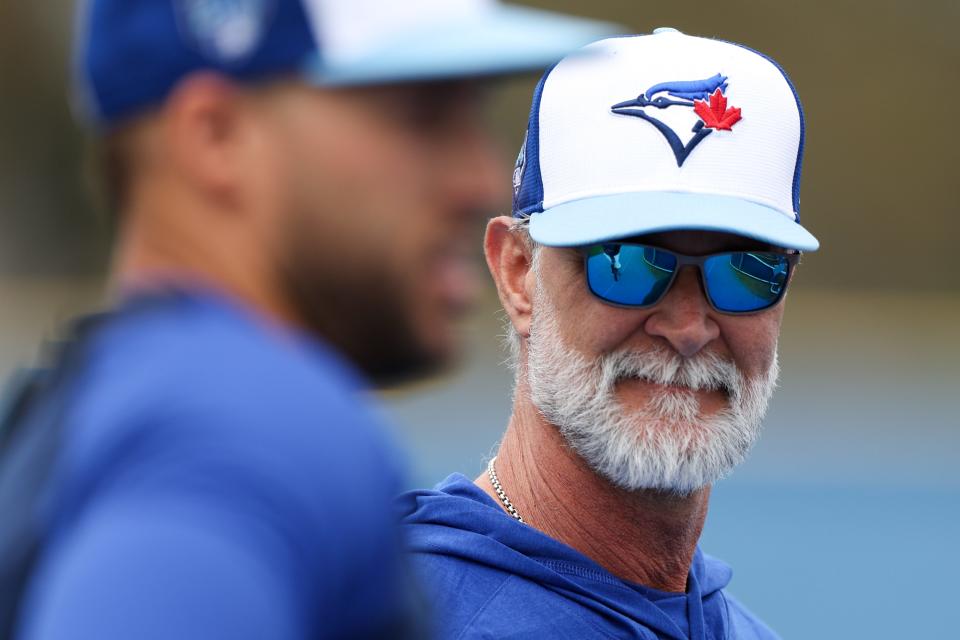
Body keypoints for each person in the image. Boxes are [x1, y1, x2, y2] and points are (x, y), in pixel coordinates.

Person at [0, 1, 615, 638]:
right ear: (216, 135)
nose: (480, 180)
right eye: (423, 117)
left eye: (472, 113)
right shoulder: (241, 427)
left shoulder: (113, 398)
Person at [400, 29, 820, 639]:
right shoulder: (412, 615)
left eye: (745, 271)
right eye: (625, 264)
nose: (689, 328)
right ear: (518, 274)